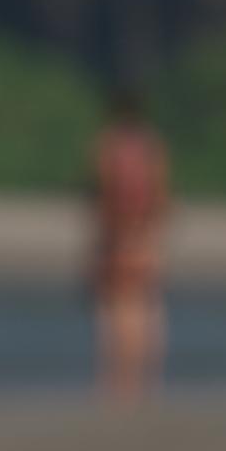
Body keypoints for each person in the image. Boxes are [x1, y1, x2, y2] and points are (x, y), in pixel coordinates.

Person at [87, 84, 171, 401]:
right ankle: (146, 378)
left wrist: (100, 238)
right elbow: (161, 192)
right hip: (145, 234)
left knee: (116, 309)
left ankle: (117, 379)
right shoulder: (152, 145)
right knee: (147, 307)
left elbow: (100, 190)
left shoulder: (108, 145)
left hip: (117, 235)